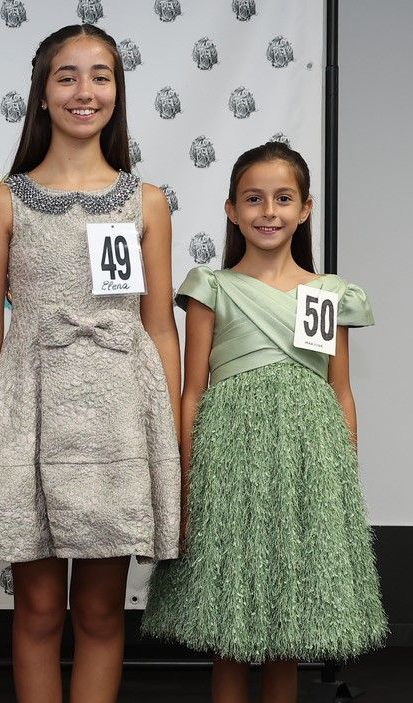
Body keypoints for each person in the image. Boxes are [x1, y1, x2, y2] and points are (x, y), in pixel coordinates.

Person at [0, 24, 182, 702]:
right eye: (67, 76)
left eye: (100, 76)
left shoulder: (146, 202)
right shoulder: (3, 202)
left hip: (117, 421)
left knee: (100, 611)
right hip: (30, 416)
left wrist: (168, 442)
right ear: (41, 94)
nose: (84, 91)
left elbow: (159, 327)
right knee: (36, 611)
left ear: (117, 93)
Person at [142, 142, 387, 702]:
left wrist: (342, 479)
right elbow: (193, 391)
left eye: (283, 199)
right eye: (253, 199)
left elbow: (340, 391)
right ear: (231, 210)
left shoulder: (329, 294)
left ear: (305, 208)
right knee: (229, 632)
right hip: (230, 466)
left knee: (288, 628)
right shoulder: (211, 287)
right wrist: (188, 477)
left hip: (307, 467)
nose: (268, 211)